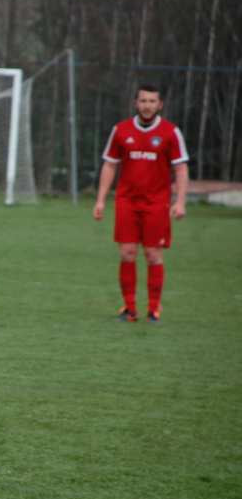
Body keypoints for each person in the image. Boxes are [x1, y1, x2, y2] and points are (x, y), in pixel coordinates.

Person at [93, 83, 189, 323]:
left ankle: (154, 309)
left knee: (153, 254)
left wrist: (180, 202)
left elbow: (180, 168)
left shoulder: (170, 132)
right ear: (136, 103)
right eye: (143, 101)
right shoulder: (121, 130)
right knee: (127, 253)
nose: (147, 106)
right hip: (126, 201)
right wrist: (101, 200)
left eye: (152, 101)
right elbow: (110, 164)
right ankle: (129, 309)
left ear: (160, 104)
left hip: (157, 203)